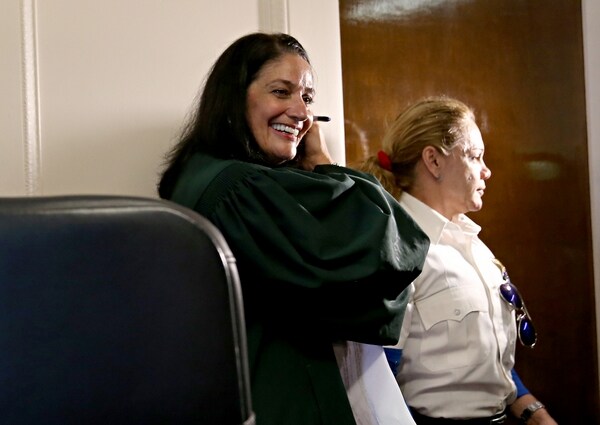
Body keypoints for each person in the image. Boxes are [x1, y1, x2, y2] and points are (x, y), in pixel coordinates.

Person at [157, 32, 429, 425]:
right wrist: (322, 161)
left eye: (307, 98)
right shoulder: (241, 189)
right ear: (234, 97)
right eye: (281, 92)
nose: (302, 113)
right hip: (280, 397)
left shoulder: (205, 174)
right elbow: (385, 250)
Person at [353, 96, 558, 425]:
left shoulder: (474, 245)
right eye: (475, 156)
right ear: (434, 161)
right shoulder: (398, 248)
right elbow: (376, 381)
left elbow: (487, 362)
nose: (487, 171)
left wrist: (534, 412)